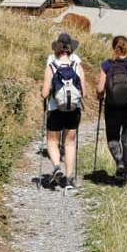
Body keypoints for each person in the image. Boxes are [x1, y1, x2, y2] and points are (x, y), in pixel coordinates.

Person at [95, 35, 127, 185]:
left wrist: (100, 96)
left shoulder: (107, 65)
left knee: (112, 138)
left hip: (112, 107)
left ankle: (119, 163)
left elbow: (100, 88)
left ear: (113, 48)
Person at [40, 34, 86, 193]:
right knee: (70, 143)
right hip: (74, 110)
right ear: (70, 49)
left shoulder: (51, 66)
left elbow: (45, 93)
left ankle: (57, 167)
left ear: (57, 49)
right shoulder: (77, 66)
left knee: (52, 141)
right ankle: (69, 178)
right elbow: (84, 93)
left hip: (55, 109)